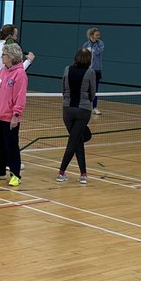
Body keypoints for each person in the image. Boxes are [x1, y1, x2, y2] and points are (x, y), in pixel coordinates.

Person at [0, 24, 34, 165]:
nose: (16, 38)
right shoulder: (6, 52)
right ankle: (10, 161)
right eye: (15, 35)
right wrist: (29, 61)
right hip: (2, 91)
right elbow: (16, 72)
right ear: (10, 36)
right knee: (5, 131)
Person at [0, 42, 27, 187]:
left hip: (10, 118)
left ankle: (15, 174)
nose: (2, 57)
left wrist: (16, 115)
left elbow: (20, 96)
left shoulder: (20, 74)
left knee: (11, 146)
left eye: (4, 55)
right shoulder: (2, 72)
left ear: (11, 57)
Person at [56, 49, 94, 185]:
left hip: (67, 110)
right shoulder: (90, 72)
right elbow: (92, 92)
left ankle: (83, 174)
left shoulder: (67, 69)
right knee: (74, 142)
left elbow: (62, 88)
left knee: (76, 140)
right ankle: (61, 172)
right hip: (83, 110)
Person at [82, 27, 104, 115]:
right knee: (85, 88)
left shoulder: (101, 43)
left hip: (96, 70)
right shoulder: (85, 45)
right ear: (91, 35)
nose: (98, 36)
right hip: (87, 70)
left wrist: (95, 44)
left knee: (95, 90)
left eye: (99, 35)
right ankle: (85, 106)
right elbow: (83, 56)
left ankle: (94, 107)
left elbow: (98, 52)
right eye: (96, 35)